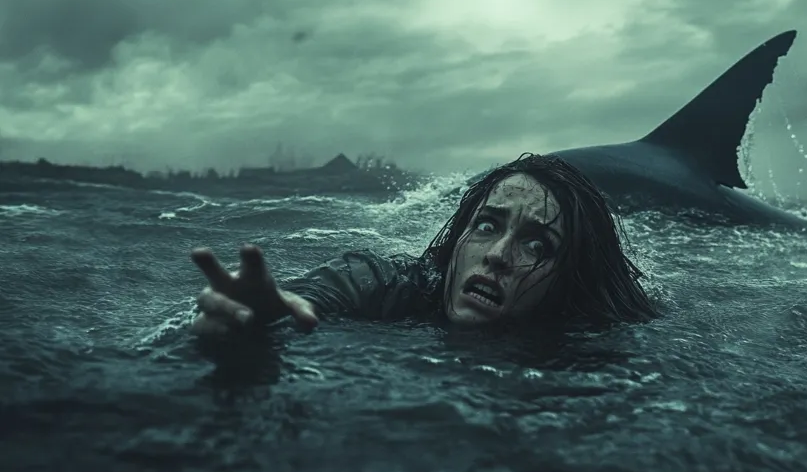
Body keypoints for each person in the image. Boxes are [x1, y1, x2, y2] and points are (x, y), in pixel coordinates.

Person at [189, 152, 659, 337]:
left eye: (537, 247)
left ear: (569, 283)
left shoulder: (589, 345)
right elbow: (328, 292)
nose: (497, 256)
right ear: (456, 240)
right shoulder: (397, 285)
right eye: (487, 226)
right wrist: (267, 313)